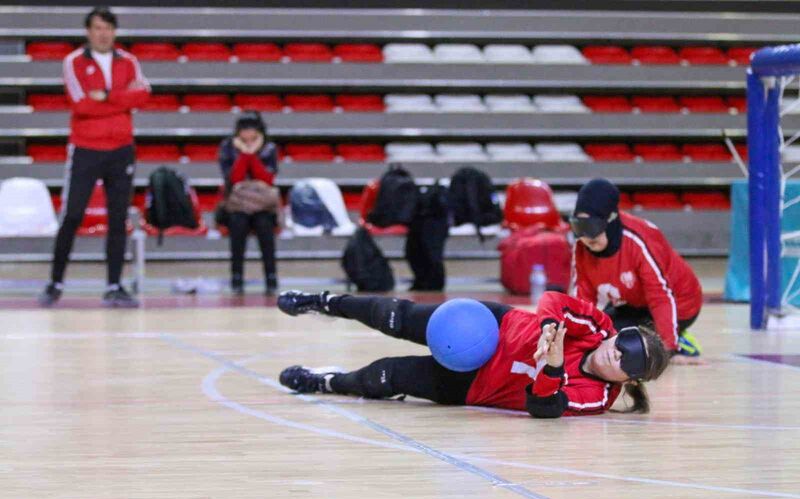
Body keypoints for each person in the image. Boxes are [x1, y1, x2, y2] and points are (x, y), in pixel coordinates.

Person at [276, 290, 671, 418]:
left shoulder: (600, 397)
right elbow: (553, 300)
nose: (616, 355)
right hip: (487, 326)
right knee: (397, 316)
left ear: (629, 381)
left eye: (627, 363)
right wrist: (550, 331)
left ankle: (325, 381)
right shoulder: (597, 326)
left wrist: (551, 366)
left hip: (474, 383)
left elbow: (544, 407)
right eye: (622, 345)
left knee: (387, 376)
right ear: (615, 335)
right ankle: (327, 302)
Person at [39, 7, 150, 307]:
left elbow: (143, 95)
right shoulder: (73, 61)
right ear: (88, 31)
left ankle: (114, 285)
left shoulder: (129, 61)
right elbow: (80, 104)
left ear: (114, 31)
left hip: (121, 149)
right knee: (72, 215)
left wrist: (107, 95)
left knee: (118, 218)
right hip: (86, 148)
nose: (103, 34)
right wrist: (121, 98)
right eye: (98, 28)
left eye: (108, 28)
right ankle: (55, 283)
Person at [569, 179, 703, 361]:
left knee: (633, 347)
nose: (586, 237)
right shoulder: (581, 247)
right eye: (579, 227)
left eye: (592, 227)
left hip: (680, 303)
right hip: (634, 302)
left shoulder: (639, 241)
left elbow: (660, 296)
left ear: (610, 220)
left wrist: (668, 348)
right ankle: (657, 334)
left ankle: (679, 341)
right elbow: (582, 299)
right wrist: (576, 342)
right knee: (602, 335)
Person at [218, 111, 279, 295]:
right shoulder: (228, 147)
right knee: (238, 224)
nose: (247, 134)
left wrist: (252, 155)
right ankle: (236, 277)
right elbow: (233, 178)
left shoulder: (269, 148)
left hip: (262, 204)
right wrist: (245, 154)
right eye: (244, 130)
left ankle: (271, 276)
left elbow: (267, 178)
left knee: (264, 225)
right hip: (237, 204)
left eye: (252, 129)